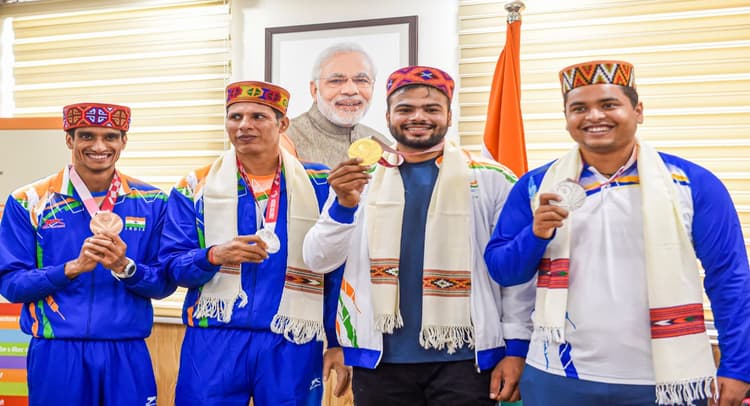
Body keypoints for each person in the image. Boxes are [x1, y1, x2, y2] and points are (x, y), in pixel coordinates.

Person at [484, 60, 750, 406]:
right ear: (566, 118)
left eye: (608, 104)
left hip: (667, 380)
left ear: (638, 111)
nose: (594, 116)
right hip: (557, 376)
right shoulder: (537, 185)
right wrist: (535, 235)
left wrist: (738, 366)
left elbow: (729, 278)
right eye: (579, 108)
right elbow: (504, 272)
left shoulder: (692, 184)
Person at [303, 66, 536, 405]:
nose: (418, 117)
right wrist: (343, 205)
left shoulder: (492, 178)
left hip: (466, 358)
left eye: (431, 109)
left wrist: (516, 348)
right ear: (388, 116)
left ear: (449, 116)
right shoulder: (359, 178)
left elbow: (515, 274)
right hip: (380, 357)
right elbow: (318, 259)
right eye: (405, 109)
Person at [159, 80, 348, 405]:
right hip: (214, 336)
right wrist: (213, 256)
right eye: (235, 117)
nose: (244, 125)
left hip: (292, 337)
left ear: (282, 124)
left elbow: (336, 267)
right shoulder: (195, 186)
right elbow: (172, 267)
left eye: (258, 117)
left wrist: (337, 341)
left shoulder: (320, 184)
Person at [0, 103, 174, 405]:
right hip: (58, 351)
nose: (99, 146)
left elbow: (164, 284)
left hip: (127, 350)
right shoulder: (28, 201)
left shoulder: (153, 201)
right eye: (87, 136)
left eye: (110, 137)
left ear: (123, 142)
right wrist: (71, 268)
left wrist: (125, 267)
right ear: (69, 139)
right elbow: (12, 285)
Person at [285, 42, 392, 167]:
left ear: (372, 88)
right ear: (314, 90)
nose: (350, 90)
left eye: (361, 80)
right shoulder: (284, 139)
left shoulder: (384, 147)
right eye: (336, 81)